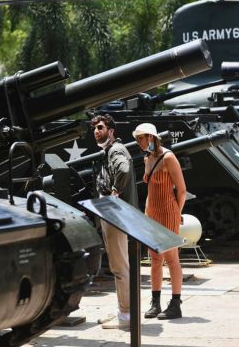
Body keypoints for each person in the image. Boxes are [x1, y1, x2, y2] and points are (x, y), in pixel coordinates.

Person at [133, 122, 186, 320]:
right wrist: (147, 212)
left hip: (168, 213)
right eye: (137, 139)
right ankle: (155, 303)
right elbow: (150, 190)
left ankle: (175, 304)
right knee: (155, 259)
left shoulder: (168, 157)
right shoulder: (148, 157)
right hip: (152, 213)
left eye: (141, 138)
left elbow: (181, 190)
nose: (138, 142)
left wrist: (176, 213)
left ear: (151, 137)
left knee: (171, 258)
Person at [92, 114, 138, 330]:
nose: (96, 131)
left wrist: (114, 192)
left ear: (111, 131)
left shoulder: (116, 150)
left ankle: (127, 316)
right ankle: (123, 309)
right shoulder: (110, 150)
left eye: (100, 127)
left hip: (114, 213)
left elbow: (123, 169)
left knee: (119, 267)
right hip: (112, 212)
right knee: (120, 265)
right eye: (94, 128)